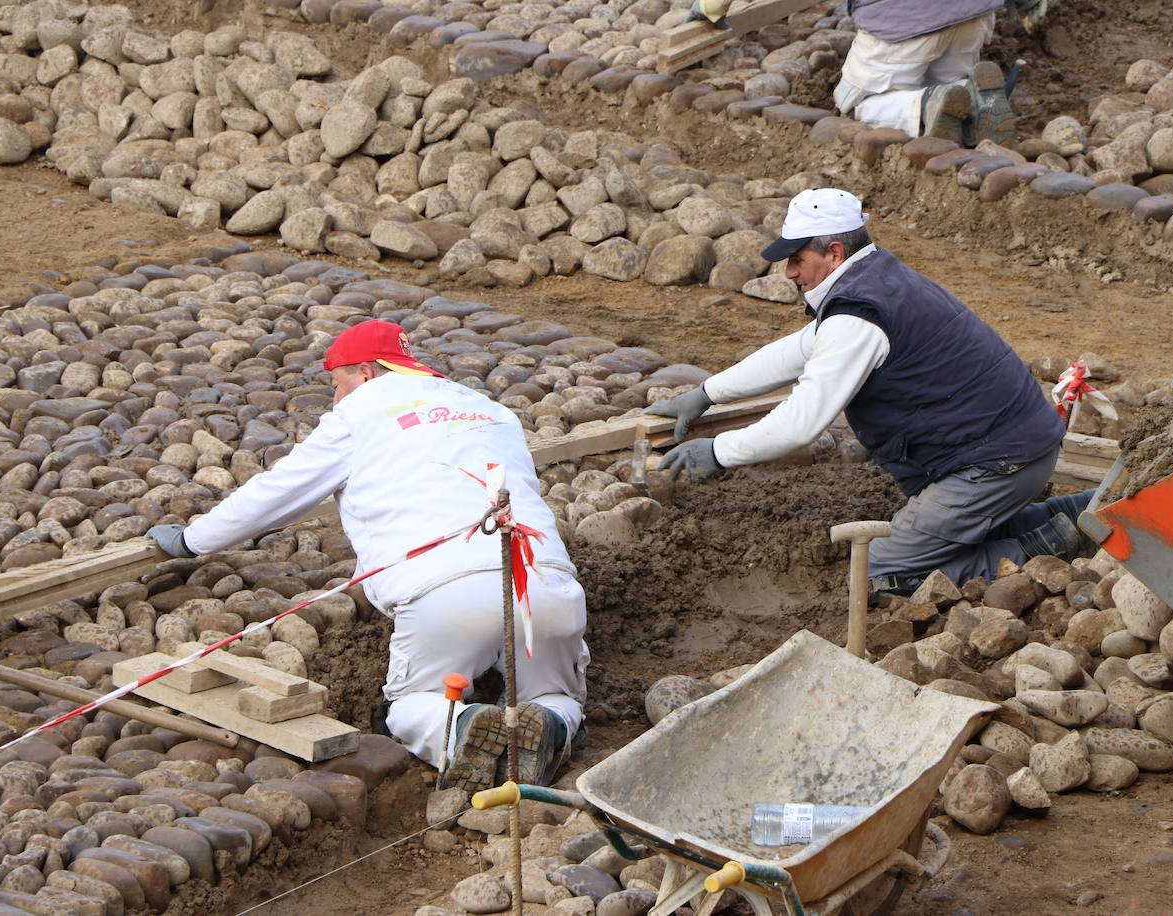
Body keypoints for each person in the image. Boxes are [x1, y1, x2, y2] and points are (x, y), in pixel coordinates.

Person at [148, 320, 589, 793]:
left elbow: (276, 492)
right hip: (544, 577)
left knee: (409, 702)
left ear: (366, 372)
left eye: (336, 385)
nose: (336, 398)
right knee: (555, 692)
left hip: (442, 591)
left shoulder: (358, 413)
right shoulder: (490, 408)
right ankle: (550, 723)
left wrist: (195, 539)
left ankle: (459, 725)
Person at [647, 188, 1091, 596]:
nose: (789, 272)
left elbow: (801, 422)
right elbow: (796, 351)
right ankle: (1079, 513)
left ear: (835, 252)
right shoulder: (875, 280)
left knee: (878, 574)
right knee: (956, 531)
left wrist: (719, 452)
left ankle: (1038, 554)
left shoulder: (858, 313)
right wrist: (707, 392)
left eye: (797, 259)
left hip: (995, 464)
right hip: (1016, 449)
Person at [833, 0, 1014, 145]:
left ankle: (929, 104)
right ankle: (976, 98)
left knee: (853, 105)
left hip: (903, 20)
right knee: (946, 86)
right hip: (974, 14)